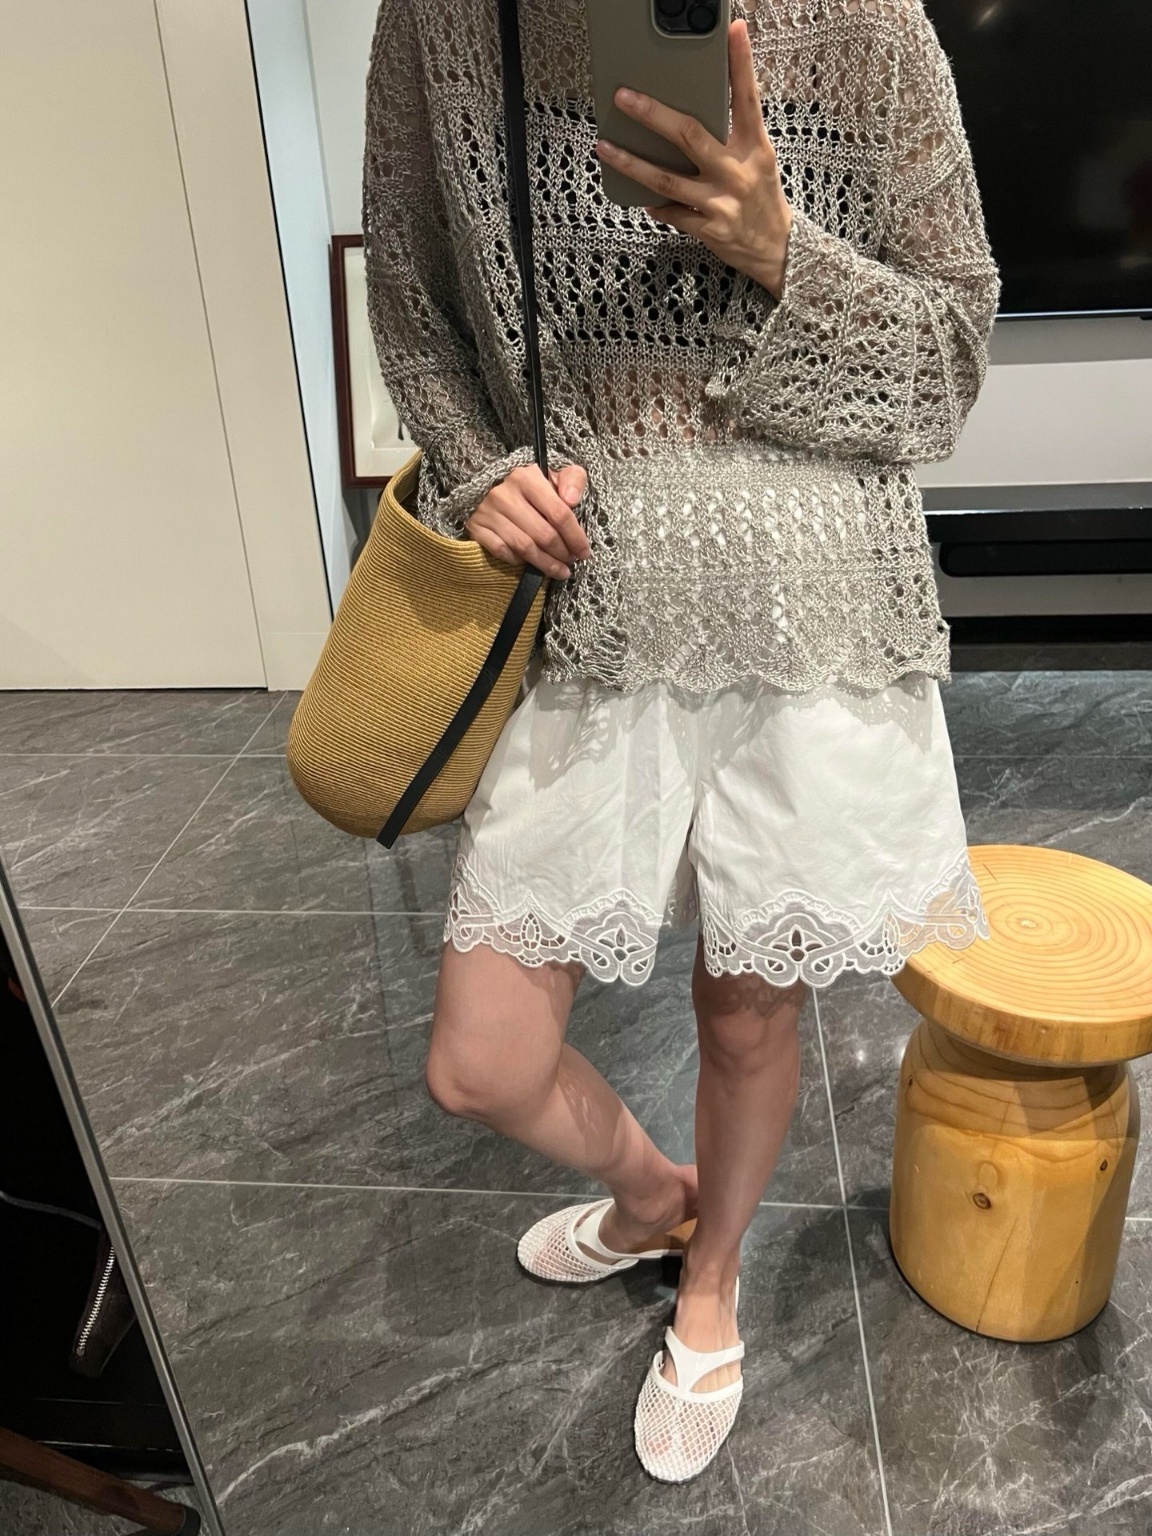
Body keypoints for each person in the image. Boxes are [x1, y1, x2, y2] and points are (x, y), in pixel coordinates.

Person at [362, 0, 999, 1484]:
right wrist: (480, 470)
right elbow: (412, 293)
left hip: (815, 601)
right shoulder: (448, 20)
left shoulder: (869, 20)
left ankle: (710, 1280)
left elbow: (950, 359)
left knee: (748, 1013)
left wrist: (785, 255)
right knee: (481, 1059)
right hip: (589, 589)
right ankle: (655, 1195)